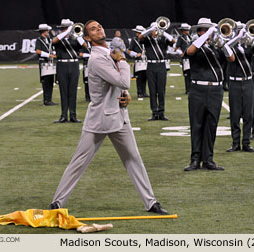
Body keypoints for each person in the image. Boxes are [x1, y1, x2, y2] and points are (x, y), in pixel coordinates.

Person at [49, 20, 169, 215]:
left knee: (133, 158)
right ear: (87, 37)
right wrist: (122, 60)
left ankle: (151, 202)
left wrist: (124, 94)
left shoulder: (107, 53)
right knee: (79, 161)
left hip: (118, 116)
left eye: (100, 27)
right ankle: (57, 203)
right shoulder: (97, 59)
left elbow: (119, 85)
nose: (99, 29)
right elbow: (123, 80)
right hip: (100, 119)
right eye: (93, 29)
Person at [184, 18, 235, 171]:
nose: (205, 32)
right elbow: (189, 52)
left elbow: (231, 58)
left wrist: (222, 41)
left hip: (215, 91)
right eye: (202, 30)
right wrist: (206, 36)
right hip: (198, 90)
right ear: (199, 31)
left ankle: (208, 160)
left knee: (211, 125)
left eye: (207, 29)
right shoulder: (196, 45)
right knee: (196, 125)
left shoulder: (218, 46)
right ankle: (195, 160)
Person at [225, 22, 254, 153]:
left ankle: (246, 143)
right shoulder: (229, 44)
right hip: (234, 83)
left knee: (249, 114)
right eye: (238, 30)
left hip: (248, 82)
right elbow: (226, 50)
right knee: (235, 115)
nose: (241, 32)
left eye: (243, 30)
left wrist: (251, 39)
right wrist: (236, 39)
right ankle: (235, 143)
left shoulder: (249, 45)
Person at [139, 22, 175, 121]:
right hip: (150, 65)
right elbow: (141, 36)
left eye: (156, 29)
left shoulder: (163, 39)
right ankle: (154, 112)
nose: (155, 31)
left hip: (161, 65)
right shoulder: (147, 39)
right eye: (154, 29)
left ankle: (162, 112)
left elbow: (173, 41)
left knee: (161, 90)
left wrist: (163, 32)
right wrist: (151, 30)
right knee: (152, 90)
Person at [52, 19, 87, 123]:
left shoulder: (75, 39)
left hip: (74, 65)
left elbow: (85, 45)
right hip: (62, 65)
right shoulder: (59, 39)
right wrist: (67, 31)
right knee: (63, 91)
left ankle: (73, 115)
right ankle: (63, 116)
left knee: (73, 91)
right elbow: (53, 41)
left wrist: (76, 34)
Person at [35, 24, 57, 106]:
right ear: (44, 31)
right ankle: (46, 100)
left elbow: (52, 49)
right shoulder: (39, 40)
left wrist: (54, 53)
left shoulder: (49, 39)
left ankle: (49, 99)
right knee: (45, 81)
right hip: (44, 62)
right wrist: (49, 55)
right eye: (47, 30)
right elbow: (38, 51)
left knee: (51, 81)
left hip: (50, 62)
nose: (48, 32)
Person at [127, 25, 149, 98]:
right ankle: (139, 93)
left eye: (138, 32)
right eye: (137, 32)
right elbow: (129, 51)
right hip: (139, 61)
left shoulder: (146, 40)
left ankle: (144, 92)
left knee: (145, 77)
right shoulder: (134, 40)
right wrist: (136, 54)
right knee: (139, 78)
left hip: (146, 61)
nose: (137, 34)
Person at [175, 23, 192, 94]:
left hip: (191, 58)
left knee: (192, 74)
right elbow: (176, 48)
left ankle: (192, 88)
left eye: (188, 29)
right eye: (186, 30)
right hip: (185, 58)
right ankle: (188, 89)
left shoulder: (190, 37)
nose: (187, 31)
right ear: (183, 30)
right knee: (187, 74)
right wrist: (180, 53)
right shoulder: (180, 37)